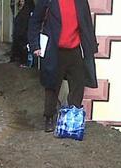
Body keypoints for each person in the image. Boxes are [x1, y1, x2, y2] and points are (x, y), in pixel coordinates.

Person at [28, 0, 98, 132]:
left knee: (78, 84)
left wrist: (91, 47)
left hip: (75, 50)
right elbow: (34, 21)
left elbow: (87, 23)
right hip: (54, 49)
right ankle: (49, 117)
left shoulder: (80, 2)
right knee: (52, 85)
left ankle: (73, 120)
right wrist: (35, 45)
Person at [10, 0, 34, 65]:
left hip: (23, 40)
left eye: (22, 1)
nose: (21, 3)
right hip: (19, 40)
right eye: (20, 1)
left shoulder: (27, 13)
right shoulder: (21, 13)